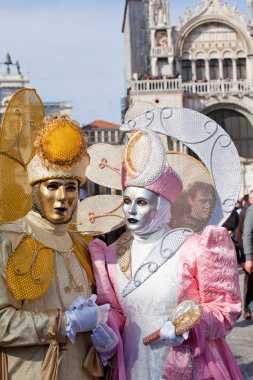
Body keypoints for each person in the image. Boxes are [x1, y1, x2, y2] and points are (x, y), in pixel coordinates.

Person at [89, 125, 242, 379]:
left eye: (141, 202)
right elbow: (117, 311)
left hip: (188, 363)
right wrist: (108, 330)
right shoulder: (112, 256)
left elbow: (224, 309)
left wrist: (190, 327)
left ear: (162, 205)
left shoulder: (194, 248)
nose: (131, 211)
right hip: (133, 361)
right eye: (127, 201)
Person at [0, 90, 118, 380]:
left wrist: (104, 335)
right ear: (33, 187)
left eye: (71, 187)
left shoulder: (82, 244)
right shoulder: (9, 240)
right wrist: (65, 322)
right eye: (51, 186)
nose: (62, 197)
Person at [242, 190, 253, 319]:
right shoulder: (251, 210)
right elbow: (247, 234)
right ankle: (247, 308)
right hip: (251, 255)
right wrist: (249, 258)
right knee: (249, 285)